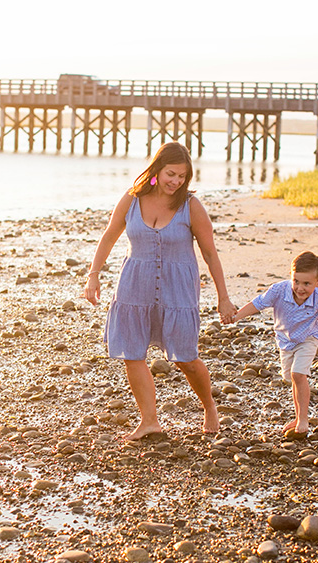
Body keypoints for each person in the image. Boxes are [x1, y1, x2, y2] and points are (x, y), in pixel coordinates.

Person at [81, 142, 236, 440]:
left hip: (178, 291)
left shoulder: (191, 206)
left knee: (186, 358)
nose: (176, 181)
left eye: (182, 176)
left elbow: (210, 254)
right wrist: (93, 275)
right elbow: (109, 236)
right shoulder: (132, 199)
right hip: (133, 287)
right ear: (156, 170)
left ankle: (209, 406)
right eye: (171, 174)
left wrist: (223, 297)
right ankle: (149, 420)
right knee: (132, 353)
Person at [230, 251, 318, 436]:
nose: (300, 288)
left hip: (308, 338)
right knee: (292, 379)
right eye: (296, 281)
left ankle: (303, 419)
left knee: (298, 374)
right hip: (285, 341)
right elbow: (257, 304)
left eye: (307, 283)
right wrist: (235, 317)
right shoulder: (279, 290)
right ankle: (298, 416)